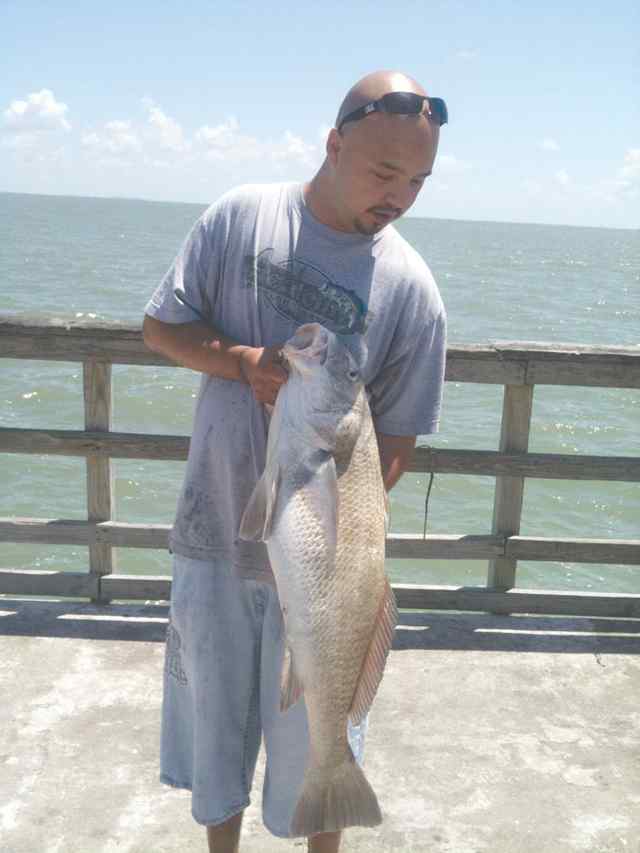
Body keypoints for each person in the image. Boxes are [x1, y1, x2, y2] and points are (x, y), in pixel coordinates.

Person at [143, 69, 448, 853]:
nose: (400, 195)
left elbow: (399, 443)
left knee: (319, 735)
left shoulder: (413, 290)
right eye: (385, 172)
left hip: (324, 570)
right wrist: (246, 360)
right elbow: (161, 328)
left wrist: (316, 538)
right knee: (215, 743)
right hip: (213, 538)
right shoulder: (241, 217)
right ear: (334, 142)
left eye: (418, 180)